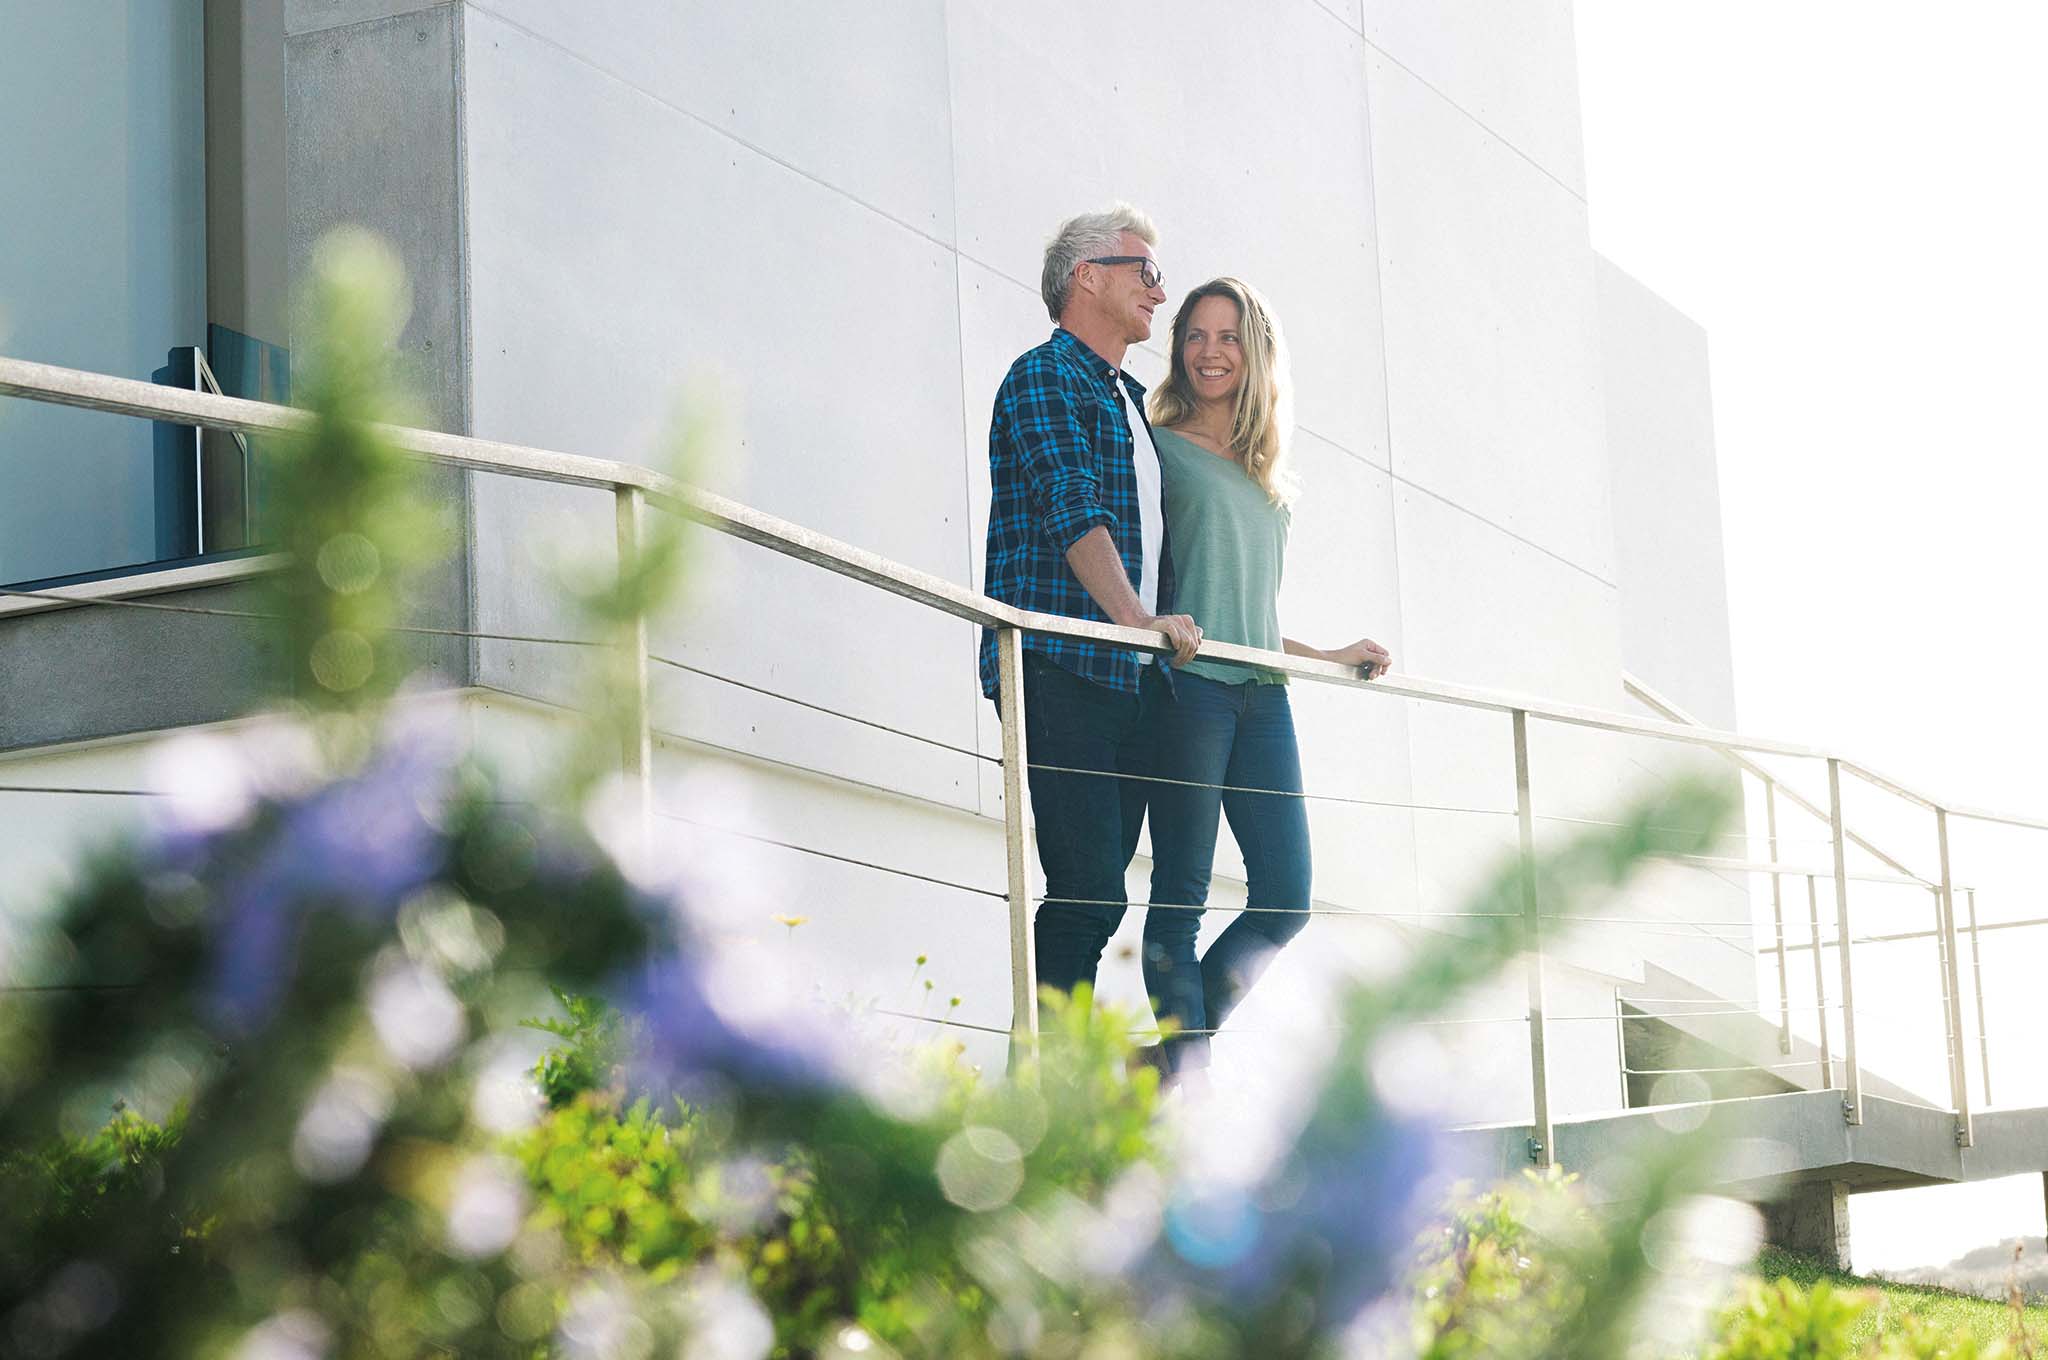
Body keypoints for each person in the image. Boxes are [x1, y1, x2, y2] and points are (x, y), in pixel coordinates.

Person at [1140, 276, 1393, 1081]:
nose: (1209, 352)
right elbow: (1163, 590)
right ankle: (1189, 1087)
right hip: (1190, 690)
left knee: (1285, 898)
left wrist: (1328, 656)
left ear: (1255, 353)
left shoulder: (1266, 477)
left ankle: (1162, 1066)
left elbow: (1244, 612)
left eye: (1228, 337)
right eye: (1195, 335)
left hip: (1263, 697)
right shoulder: (1159, 449)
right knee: (1180, 897)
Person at [979, 205, 1203, 1032]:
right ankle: (1035, 1091)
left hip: (1131, 681)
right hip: (1060, 666)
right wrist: (1137, 619)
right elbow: (1071, 507)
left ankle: (1054, 1082)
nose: (1159, 291)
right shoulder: (1044, 377)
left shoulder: (1134, 402)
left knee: (1103, 900)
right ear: (1087, 276)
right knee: (1088, 893)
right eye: (1145, 272)